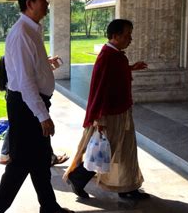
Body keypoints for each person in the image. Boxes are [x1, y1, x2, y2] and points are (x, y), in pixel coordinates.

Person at [0, 0, 76, 213]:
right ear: (29, 3)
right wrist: (42, 115)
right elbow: (25, 82)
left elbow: (32, 68)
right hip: (26, 106)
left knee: (41, 158)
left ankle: (49, 207)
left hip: (31, 103)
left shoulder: (32, 29)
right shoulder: (22, 33)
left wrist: (46, 65)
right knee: (21, 162)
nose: (47, 3)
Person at [64, 19, 149, 200]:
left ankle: (128, 186)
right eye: (127, 35)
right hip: (109, 114)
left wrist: (131, 68)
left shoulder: (115, 56)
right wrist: (99, 119)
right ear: (115, 36)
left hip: (121, 110)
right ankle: (77, 178)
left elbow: (115, 77)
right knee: (105, 150)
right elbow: (102, 89)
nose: (130, 38)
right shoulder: (108, 57)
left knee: (126, 149)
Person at [0, 56, 69, 166]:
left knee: (18, 125)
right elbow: (28, 79)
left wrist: (46, 66)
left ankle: (6, 154)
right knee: (41, 128)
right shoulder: (17, 62)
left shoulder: (11, 62)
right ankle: (48, 157)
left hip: (22, 99)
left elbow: (30, 75)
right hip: (27, 101)